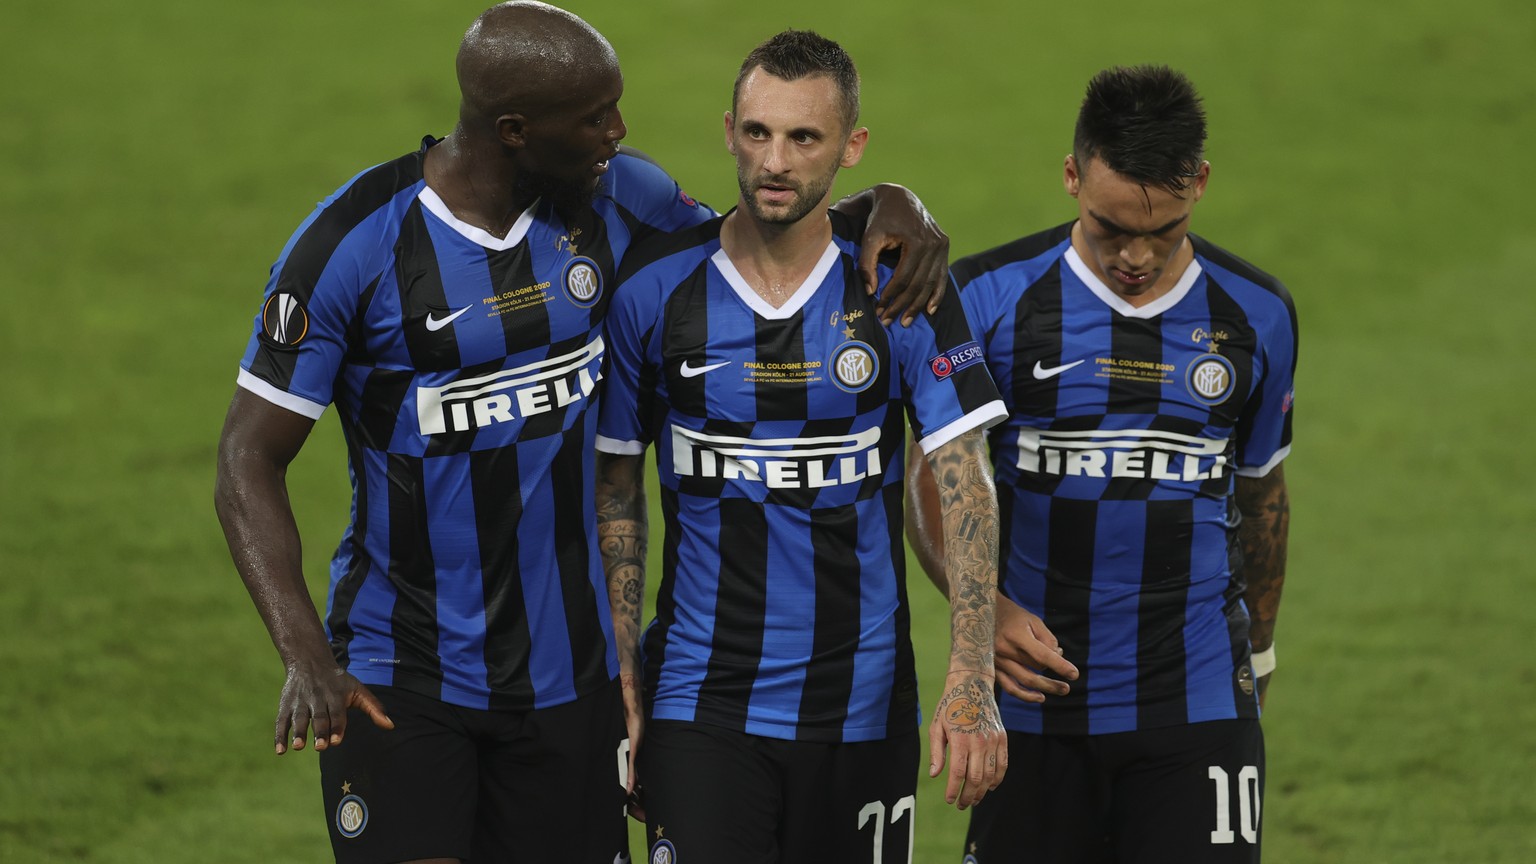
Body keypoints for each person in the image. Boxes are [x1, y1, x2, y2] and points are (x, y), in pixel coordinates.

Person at [212, 3, 952, 862]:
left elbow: (762, 237)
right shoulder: (352, 246)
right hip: (401, 668)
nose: (620, 130)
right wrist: (305, 655)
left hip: (576, 675)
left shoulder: (618, 198)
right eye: (597, 116)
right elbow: (245, 460)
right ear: (516, 130)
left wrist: (886, 205)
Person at [593, 30, 1011, 864]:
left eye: (803, 138)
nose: (774, 161)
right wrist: (625, 679)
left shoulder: (902, 288)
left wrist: (972, 674)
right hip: (699, 703)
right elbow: (616, 490)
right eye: (757, 133)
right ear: (728, 131)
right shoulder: (655, 291)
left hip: (862, 709)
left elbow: (964, 479)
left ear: (852, 147)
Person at [906, 65, 1296, 863]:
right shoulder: (986, 299)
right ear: (1072, 175)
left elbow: (1262, 497)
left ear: (1201, 184)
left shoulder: (1257, 315)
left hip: (1197, 704)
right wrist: (988, 610)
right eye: (1112, 225)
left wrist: (1257, 652)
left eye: (1165, 228)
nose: (1137, 257)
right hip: (1038, 706)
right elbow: (930, 479)